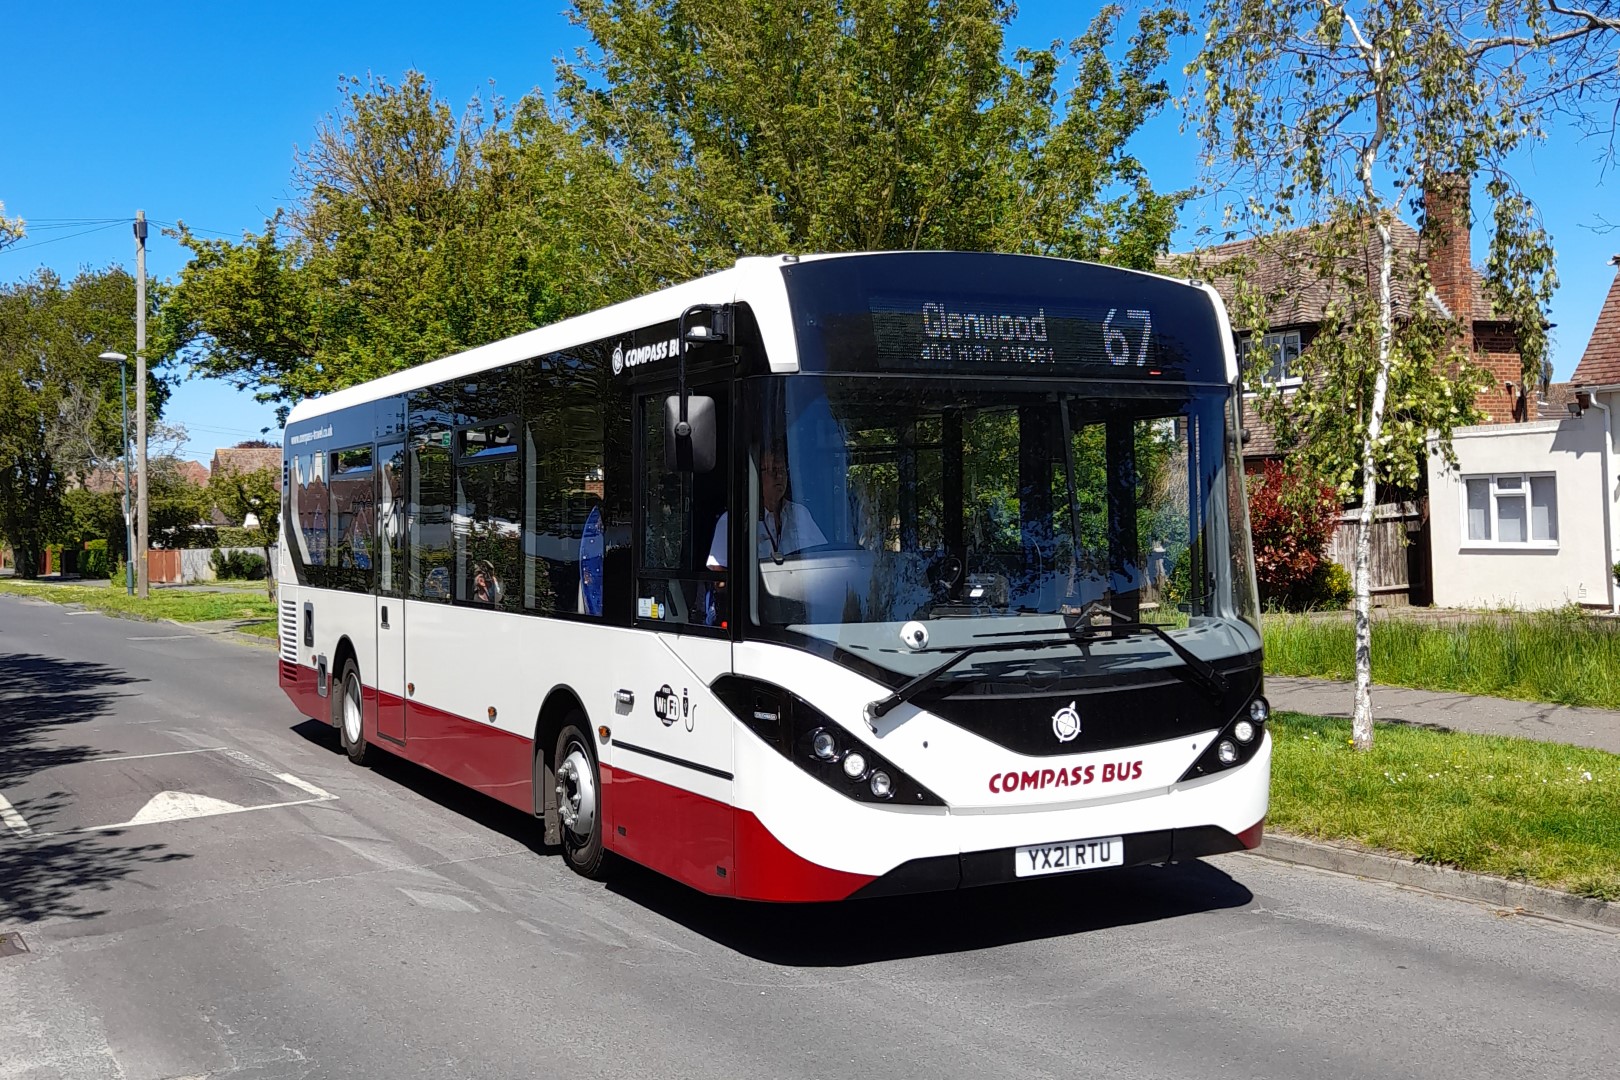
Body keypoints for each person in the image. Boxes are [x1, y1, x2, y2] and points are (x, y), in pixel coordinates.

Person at [706, 448, 826, 571]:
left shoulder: (800, 513)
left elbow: (821, 558)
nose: (779, 476)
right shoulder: (734, 519)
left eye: (782, 470)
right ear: (756, 475)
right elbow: (719, 572)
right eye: (772, 470)